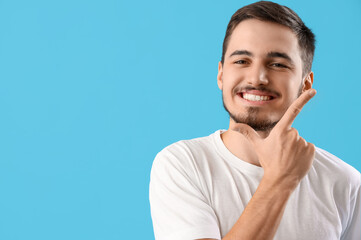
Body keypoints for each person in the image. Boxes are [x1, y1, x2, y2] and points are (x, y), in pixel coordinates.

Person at [149, 1, 361, 240]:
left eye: (278, 64)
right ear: (221, 74)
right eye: (241, 61)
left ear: (305, 84)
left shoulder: (346, 182)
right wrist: (280, 180)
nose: (257, 78)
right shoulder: (182, 165)